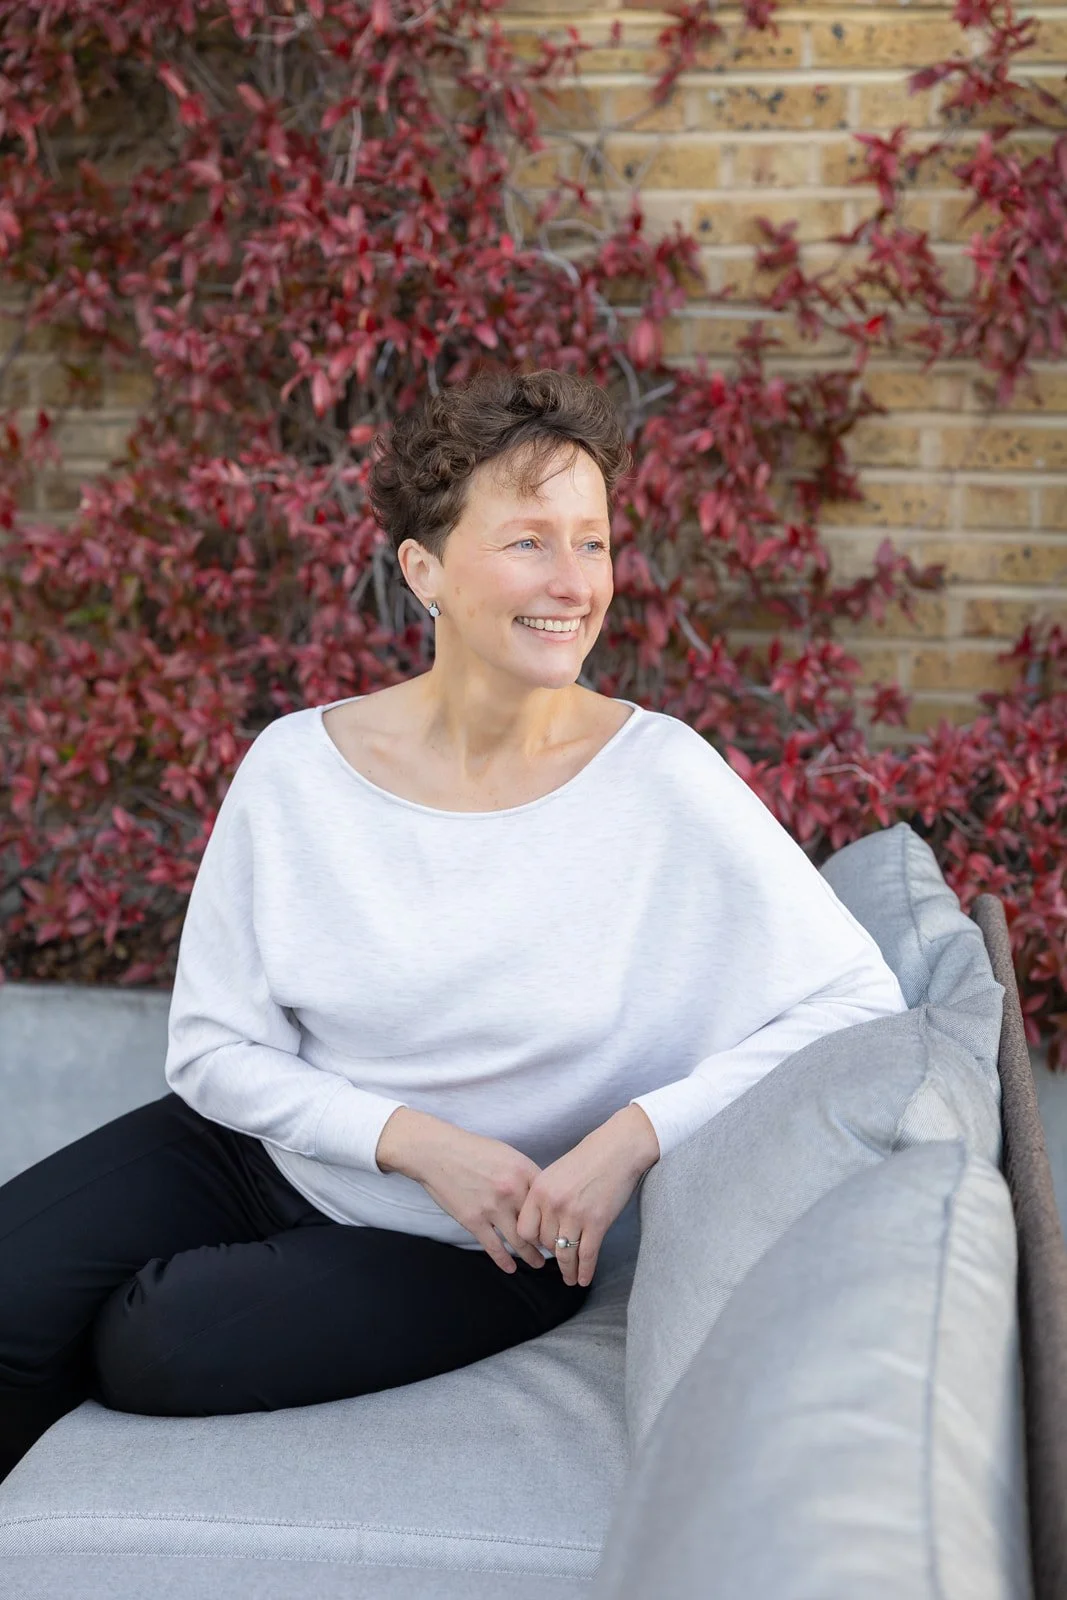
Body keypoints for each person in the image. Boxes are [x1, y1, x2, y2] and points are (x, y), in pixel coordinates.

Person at [0, 367, 908, 1486]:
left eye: (593, 542)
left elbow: (856, 998)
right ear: (421, 571)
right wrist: (421, 1142)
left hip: (492, 1241)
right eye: (529, 540)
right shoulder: (296, 767)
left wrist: (630, 1139)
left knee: (155, 1338)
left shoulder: (663, 780)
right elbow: (208, 1048)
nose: (572, 582)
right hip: (265, 1154)